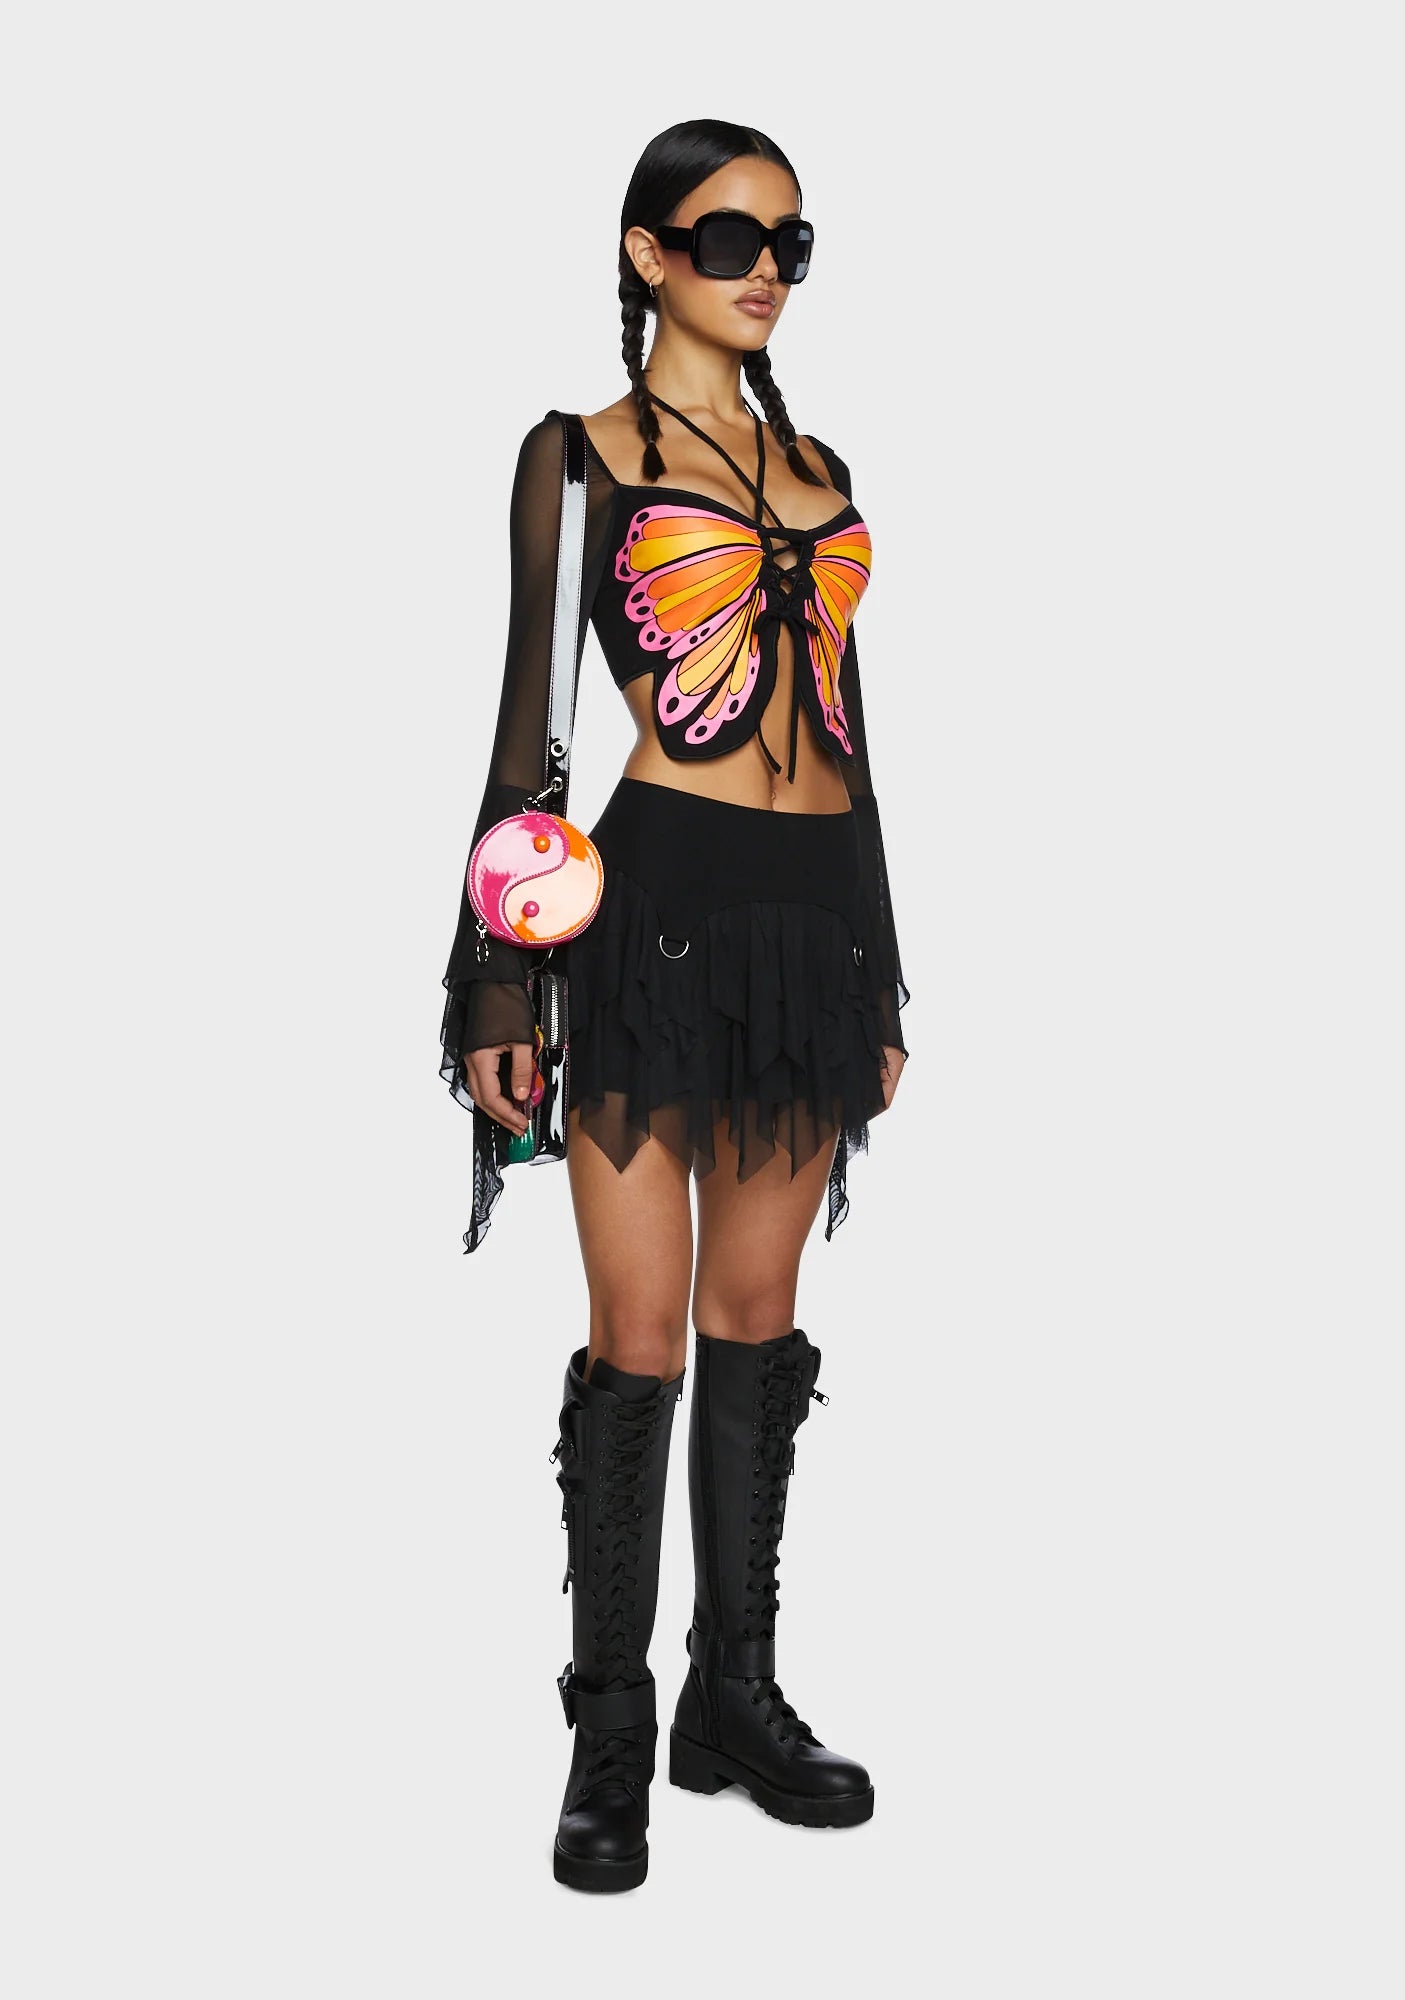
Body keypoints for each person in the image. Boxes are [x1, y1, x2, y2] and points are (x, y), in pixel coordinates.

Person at [439, 120, 910, 1891]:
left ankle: (735, 1695)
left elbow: (854, 738)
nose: (763, 268)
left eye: (790, 240)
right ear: (648, 254)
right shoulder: (580, 456)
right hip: (649, 916)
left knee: (756, 1320)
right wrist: (496, 979)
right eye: (726, 237)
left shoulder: (820, 464)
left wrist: (880, 964)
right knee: (636, 1334)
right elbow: (530, 731)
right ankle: (610, 1730)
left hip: (807, 922)